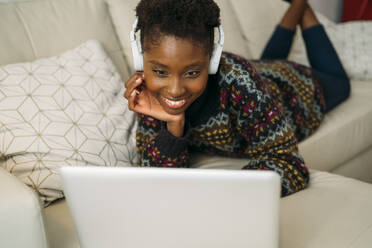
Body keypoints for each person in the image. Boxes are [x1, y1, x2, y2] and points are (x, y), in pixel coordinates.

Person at [124, 0, 350, 197]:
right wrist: (174, 123)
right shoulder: (151, 92)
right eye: (161, 72)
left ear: (212, 61)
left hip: (295, 89)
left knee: (340, 83)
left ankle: (301, 5)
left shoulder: (241, 84)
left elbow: (291, 166)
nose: (174, 91)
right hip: (259, 73)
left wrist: (226, 192)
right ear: (141, 62)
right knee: (265, 63)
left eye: (192, 72)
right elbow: (153, 175)